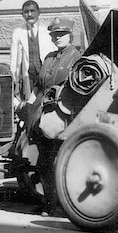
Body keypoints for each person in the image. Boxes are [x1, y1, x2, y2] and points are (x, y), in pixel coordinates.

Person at [35, 17, 82, 216]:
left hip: (65, 116)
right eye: (55, 35)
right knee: (44, 160)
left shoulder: (77, 57)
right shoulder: (48, 58)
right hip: (45, 114)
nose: (58, 38)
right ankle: (49, 203)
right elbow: (39, 85)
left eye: (62, 34)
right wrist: (28, 104)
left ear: (70, 36)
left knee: (62, 162)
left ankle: (66, 205)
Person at [10, 0, 55, 106]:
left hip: (43, 73)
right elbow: (14, 56)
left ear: (39, 12)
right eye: (26, 12)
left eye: (32, 11)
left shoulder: (46, 32)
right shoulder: (18, 32)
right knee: (27, 102)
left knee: (44, 100)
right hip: (27, 75)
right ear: (22, 14)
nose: (29, 14)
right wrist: (14, 78)